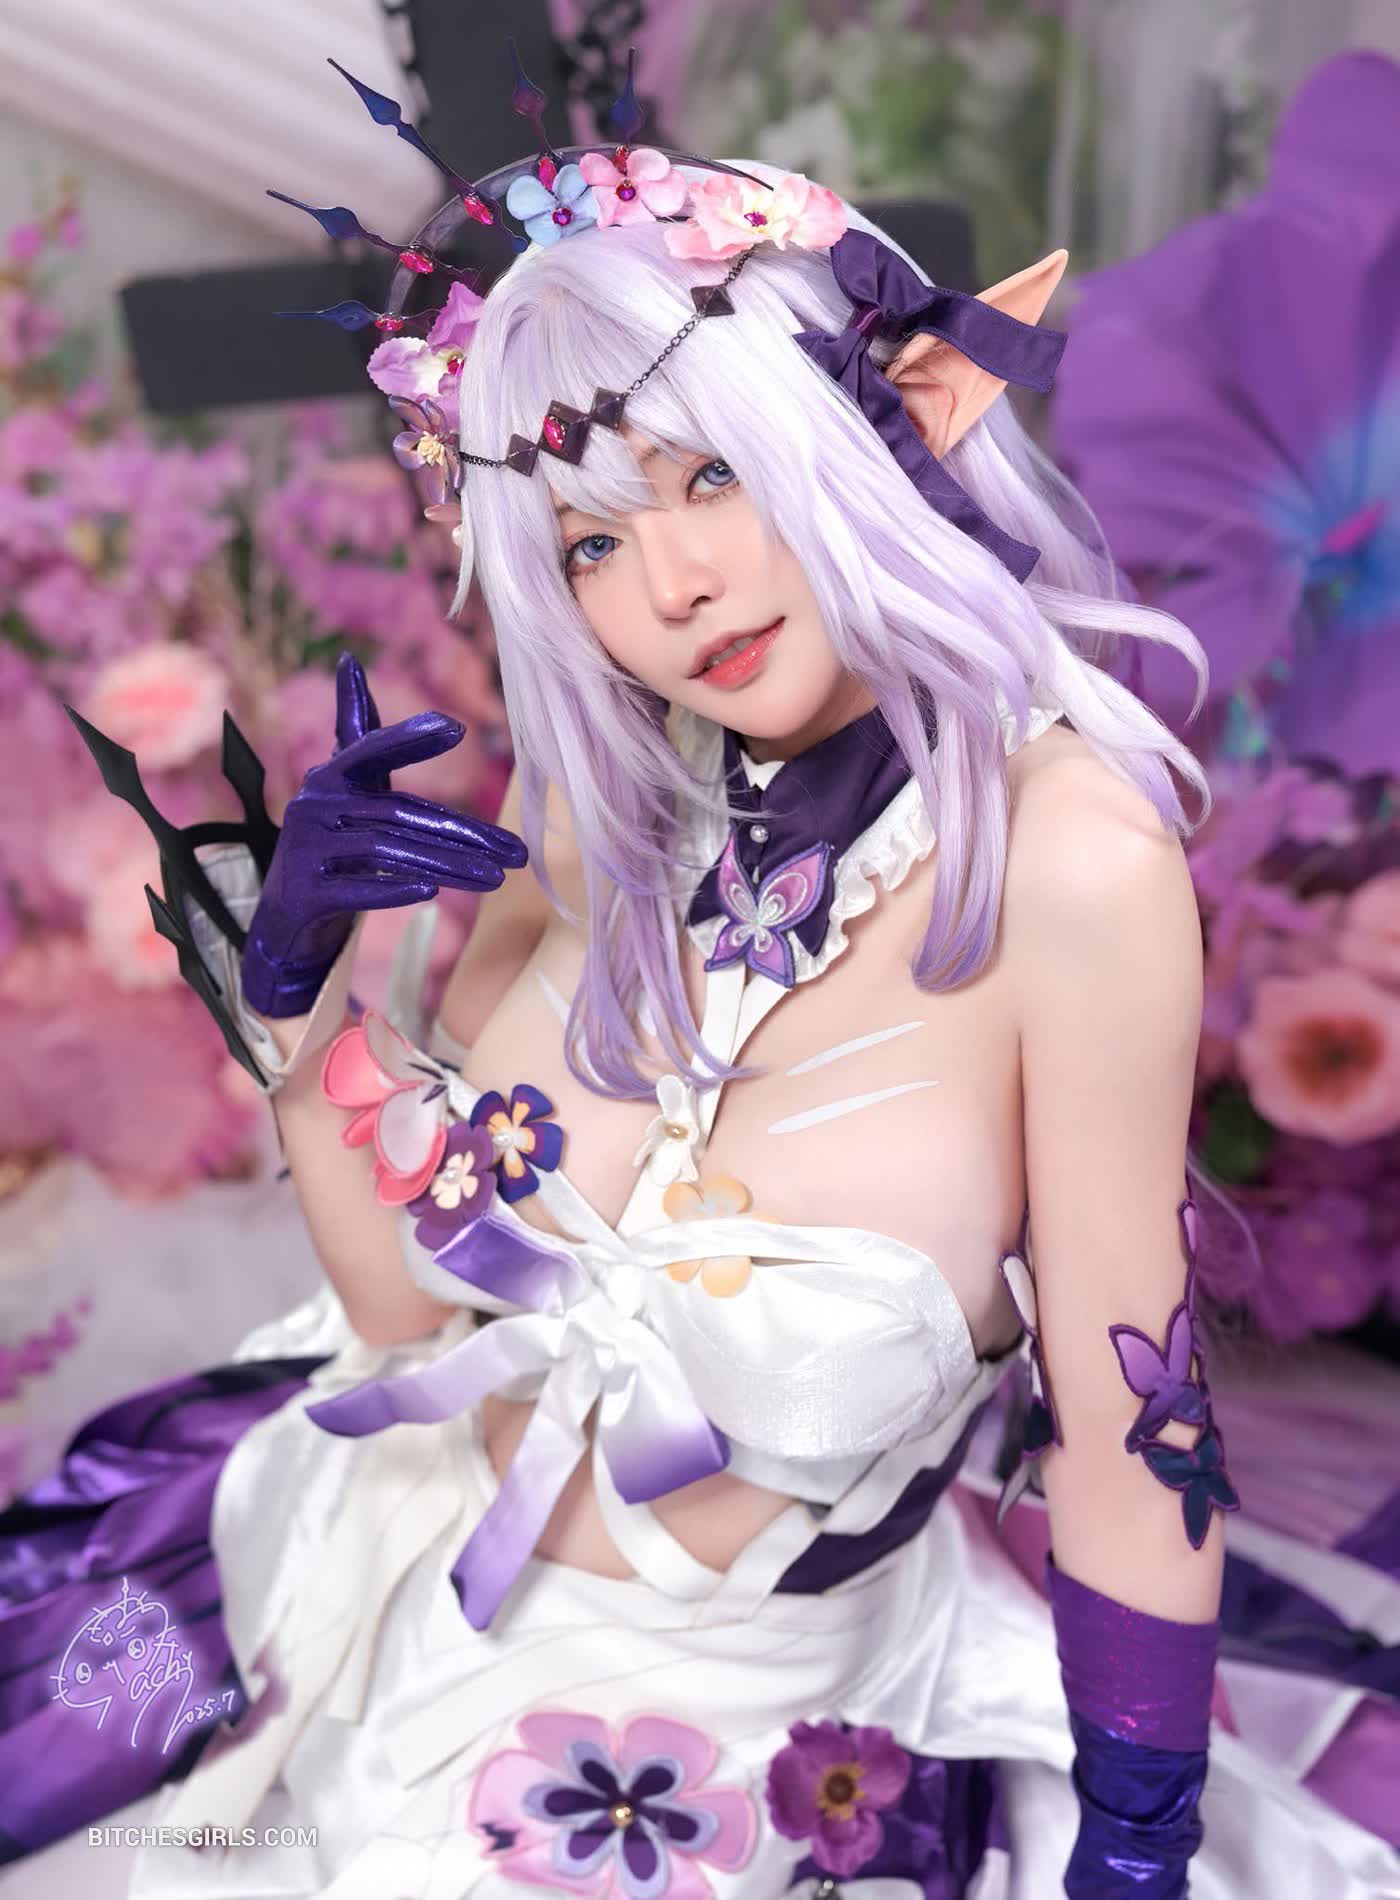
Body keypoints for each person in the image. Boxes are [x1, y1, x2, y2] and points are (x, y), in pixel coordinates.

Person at [2, 51, 1398, 1900]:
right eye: (590, 537)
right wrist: (302, 1013)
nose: (670, 583)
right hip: (365, 1592)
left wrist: (1134, 1853)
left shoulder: (1073, 861)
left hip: (734, 1755)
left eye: (712, 475)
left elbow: (1136, 1422)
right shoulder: (604, 804)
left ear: (866, 428)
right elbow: (408, 1318)